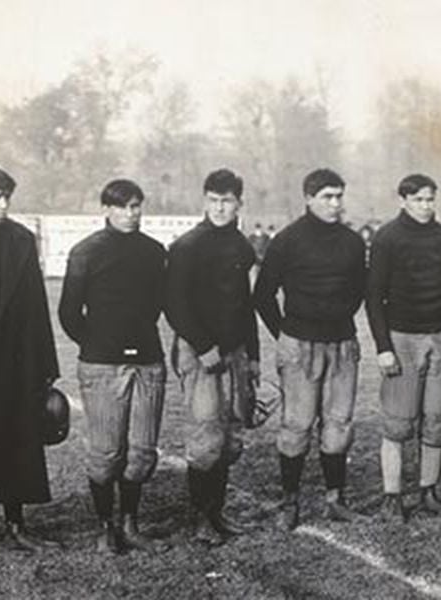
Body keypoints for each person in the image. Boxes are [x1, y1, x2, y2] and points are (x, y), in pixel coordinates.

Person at [254, 168, 366, 531]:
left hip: (342, 345)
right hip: (300, 345)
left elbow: (359, 289)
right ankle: (291, 502)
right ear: (308, 198)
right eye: (327, 197)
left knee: (339, 425)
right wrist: (285, 334)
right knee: (296, 426)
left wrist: (337, 319)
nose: (335, 204)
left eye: (338, 196)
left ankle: (336, 499)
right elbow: (263, 294)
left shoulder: (352, 241)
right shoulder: (286, 240)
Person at [59, 179, 167, 554]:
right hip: (103, 365)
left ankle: (130, 524)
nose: (131, 213)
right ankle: (105, 526)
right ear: (106, 208)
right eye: (122, 206)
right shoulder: (86, 251)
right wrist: (99, 345)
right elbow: (69, 313)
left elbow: (154, 307)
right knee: (106, 454)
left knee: (141, 453)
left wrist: (135, 344)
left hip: (148, 364)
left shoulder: (154, 252)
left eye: (136, 206)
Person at [366, 173, 441, 521]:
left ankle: (428, 491)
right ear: (403, 200)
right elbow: (373, 297)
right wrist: (383, 346)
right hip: (403, 338)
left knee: (436, 419)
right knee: (398, 423)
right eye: (419, 199)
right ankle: (392, 496)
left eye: (430, 199)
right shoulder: (386, 237)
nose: (426, 206)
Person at [166, 169, 260, 546]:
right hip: (200, 351)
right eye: (214, 200)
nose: (220, 208)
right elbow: (174, 304)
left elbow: (245, 305)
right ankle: (200, 517)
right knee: (206, 437)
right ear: (204, 201)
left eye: (227, 201)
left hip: (234, 350)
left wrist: (252, 355)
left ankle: (217, 512)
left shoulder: (241, 245)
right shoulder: (188, 245)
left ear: (239, 203)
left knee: (230, 437)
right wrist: (203, 346)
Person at [0, 166, 60, 553]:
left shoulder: (22, 239)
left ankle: (16, 524)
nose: (2, 205)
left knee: (17, 438)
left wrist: (45, 368)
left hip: (13, 360)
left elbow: (37, 306)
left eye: (7, 197)